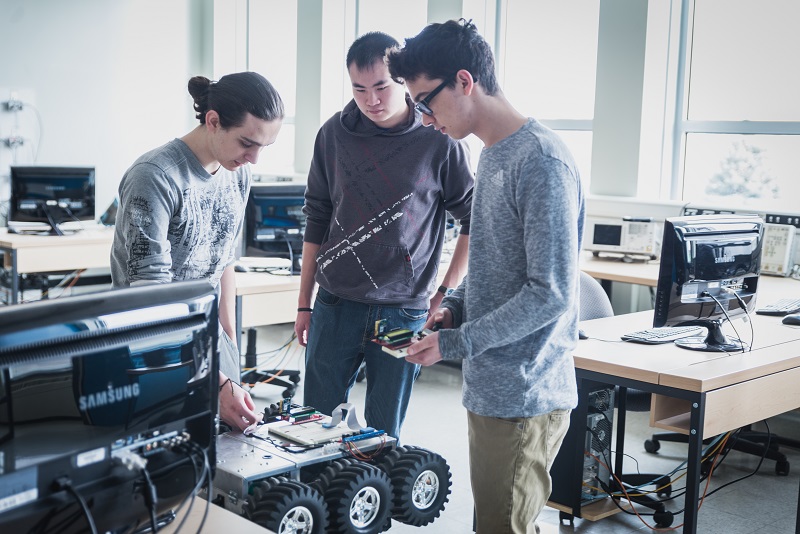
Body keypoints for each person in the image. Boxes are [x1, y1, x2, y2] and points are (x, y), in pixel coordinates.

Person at [388, 19, 585, 533]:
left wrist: (457, 342)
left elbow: (550, 294)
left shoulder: (541, 162)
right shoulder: (495, 153)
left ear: (464, 81)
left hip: (525, 391)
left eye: (426, 103)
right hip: (494, 384)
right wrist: (454, 306)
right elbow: (495, 262)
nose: (425, 119)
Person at [295, 31, 474, 440]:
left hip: (402, 308)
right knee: (312, 428)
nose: (371, 100)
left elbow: (474, 219)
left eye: (381, 87)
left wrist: (447, 288)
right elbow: (317, 217)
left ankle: (375, 503)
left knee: (381, 433)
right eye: (359, 89)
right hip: (336, 302)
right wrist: (304, 303)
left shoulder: (439, 136)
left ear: (403, 83)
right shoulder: (333, 134)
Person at [110, 72, 284, 432]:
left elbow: (224, 262)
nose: (254, 159)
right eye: (247, 143)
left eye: (263, 147)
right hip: (156, 344)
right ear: (213, 121)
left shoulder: (238, 174)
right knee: (164, 464)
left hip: (210, 342)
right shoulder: (155, 176)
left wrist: (229, 350)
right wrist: (216, 379)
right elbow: (150, 298)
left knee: (223, 454)